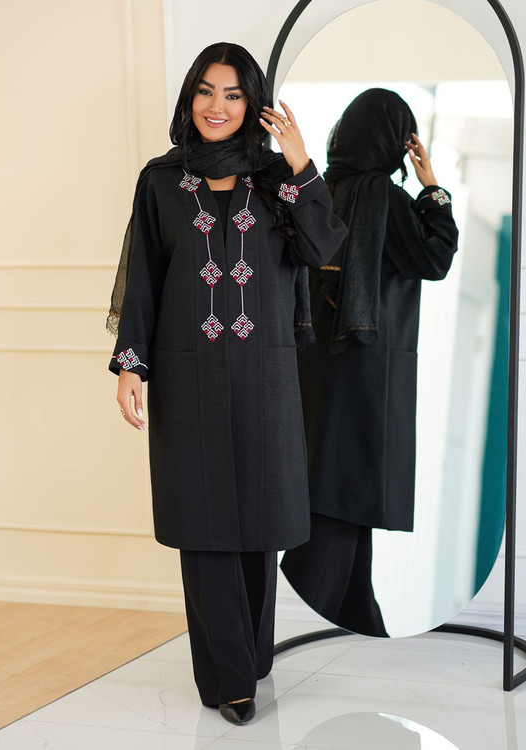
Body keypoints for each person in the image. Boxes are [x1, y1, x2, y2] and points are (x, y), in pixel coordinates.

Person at [107, 42, 347, 724]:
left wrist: (300, 164)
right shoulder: (161, 182)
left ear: (253, 104)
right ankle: (233, 678)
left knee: (259, 520)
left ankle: (247, 661)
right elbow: (144, 278)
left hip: (266, 373)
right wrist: (131, 364)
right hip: (187, 374)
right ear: (190, 98)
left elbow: (324, 247)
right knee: (204, 519)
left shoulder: (275, 180)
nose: (217, 106)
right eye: (206, 92)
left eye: (234, 94)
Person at [281, 88, 459, 637]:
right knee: (341, 500)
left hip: (315, 370)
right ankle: (288, 618)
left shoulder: (319, 193)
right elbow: (435, 257)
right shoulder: (387, 199)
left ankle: (363, 624)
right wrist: (432, 188)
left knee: (340, 496)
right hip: (368, 373)